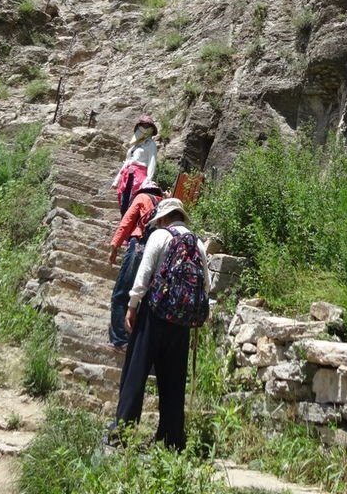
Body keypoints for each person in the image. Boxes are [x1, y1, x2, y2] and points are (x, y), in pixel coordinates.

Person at [112, 197, 210, 450]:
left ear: (165, 218)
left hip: (154, 314)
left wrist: (132, 306)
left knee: (135, 373)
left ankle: (121, 433)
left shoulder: (160, 236)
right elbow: (206, 285)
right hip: (182, 322)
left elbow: (144, 274)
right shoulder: (198, 243)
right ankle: (171, 439)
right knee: (174, 380)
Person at [106, 181, 163, 352]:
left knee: (122, 293)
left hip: (138, 247)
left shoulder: (141, 197)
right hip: (157, 253)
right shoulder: (164, 203)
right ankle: (137, 341)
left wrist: (114, 246)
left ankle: (120, 340)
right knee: (143, 297)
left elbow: (127, 222)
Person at [112, 114, 158, 216]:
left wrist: (148, 179)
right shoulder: (135, 145)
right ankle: (123, 219)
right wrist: (117, 179)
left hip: (140, 176)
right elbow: (128, 161)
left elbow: (152, 161)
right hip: (127, 174)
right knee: (123, 197)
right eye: (143, 125)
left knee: (132, 199)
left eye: (147, 126)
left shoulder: (151, 144)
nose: (145, 128)